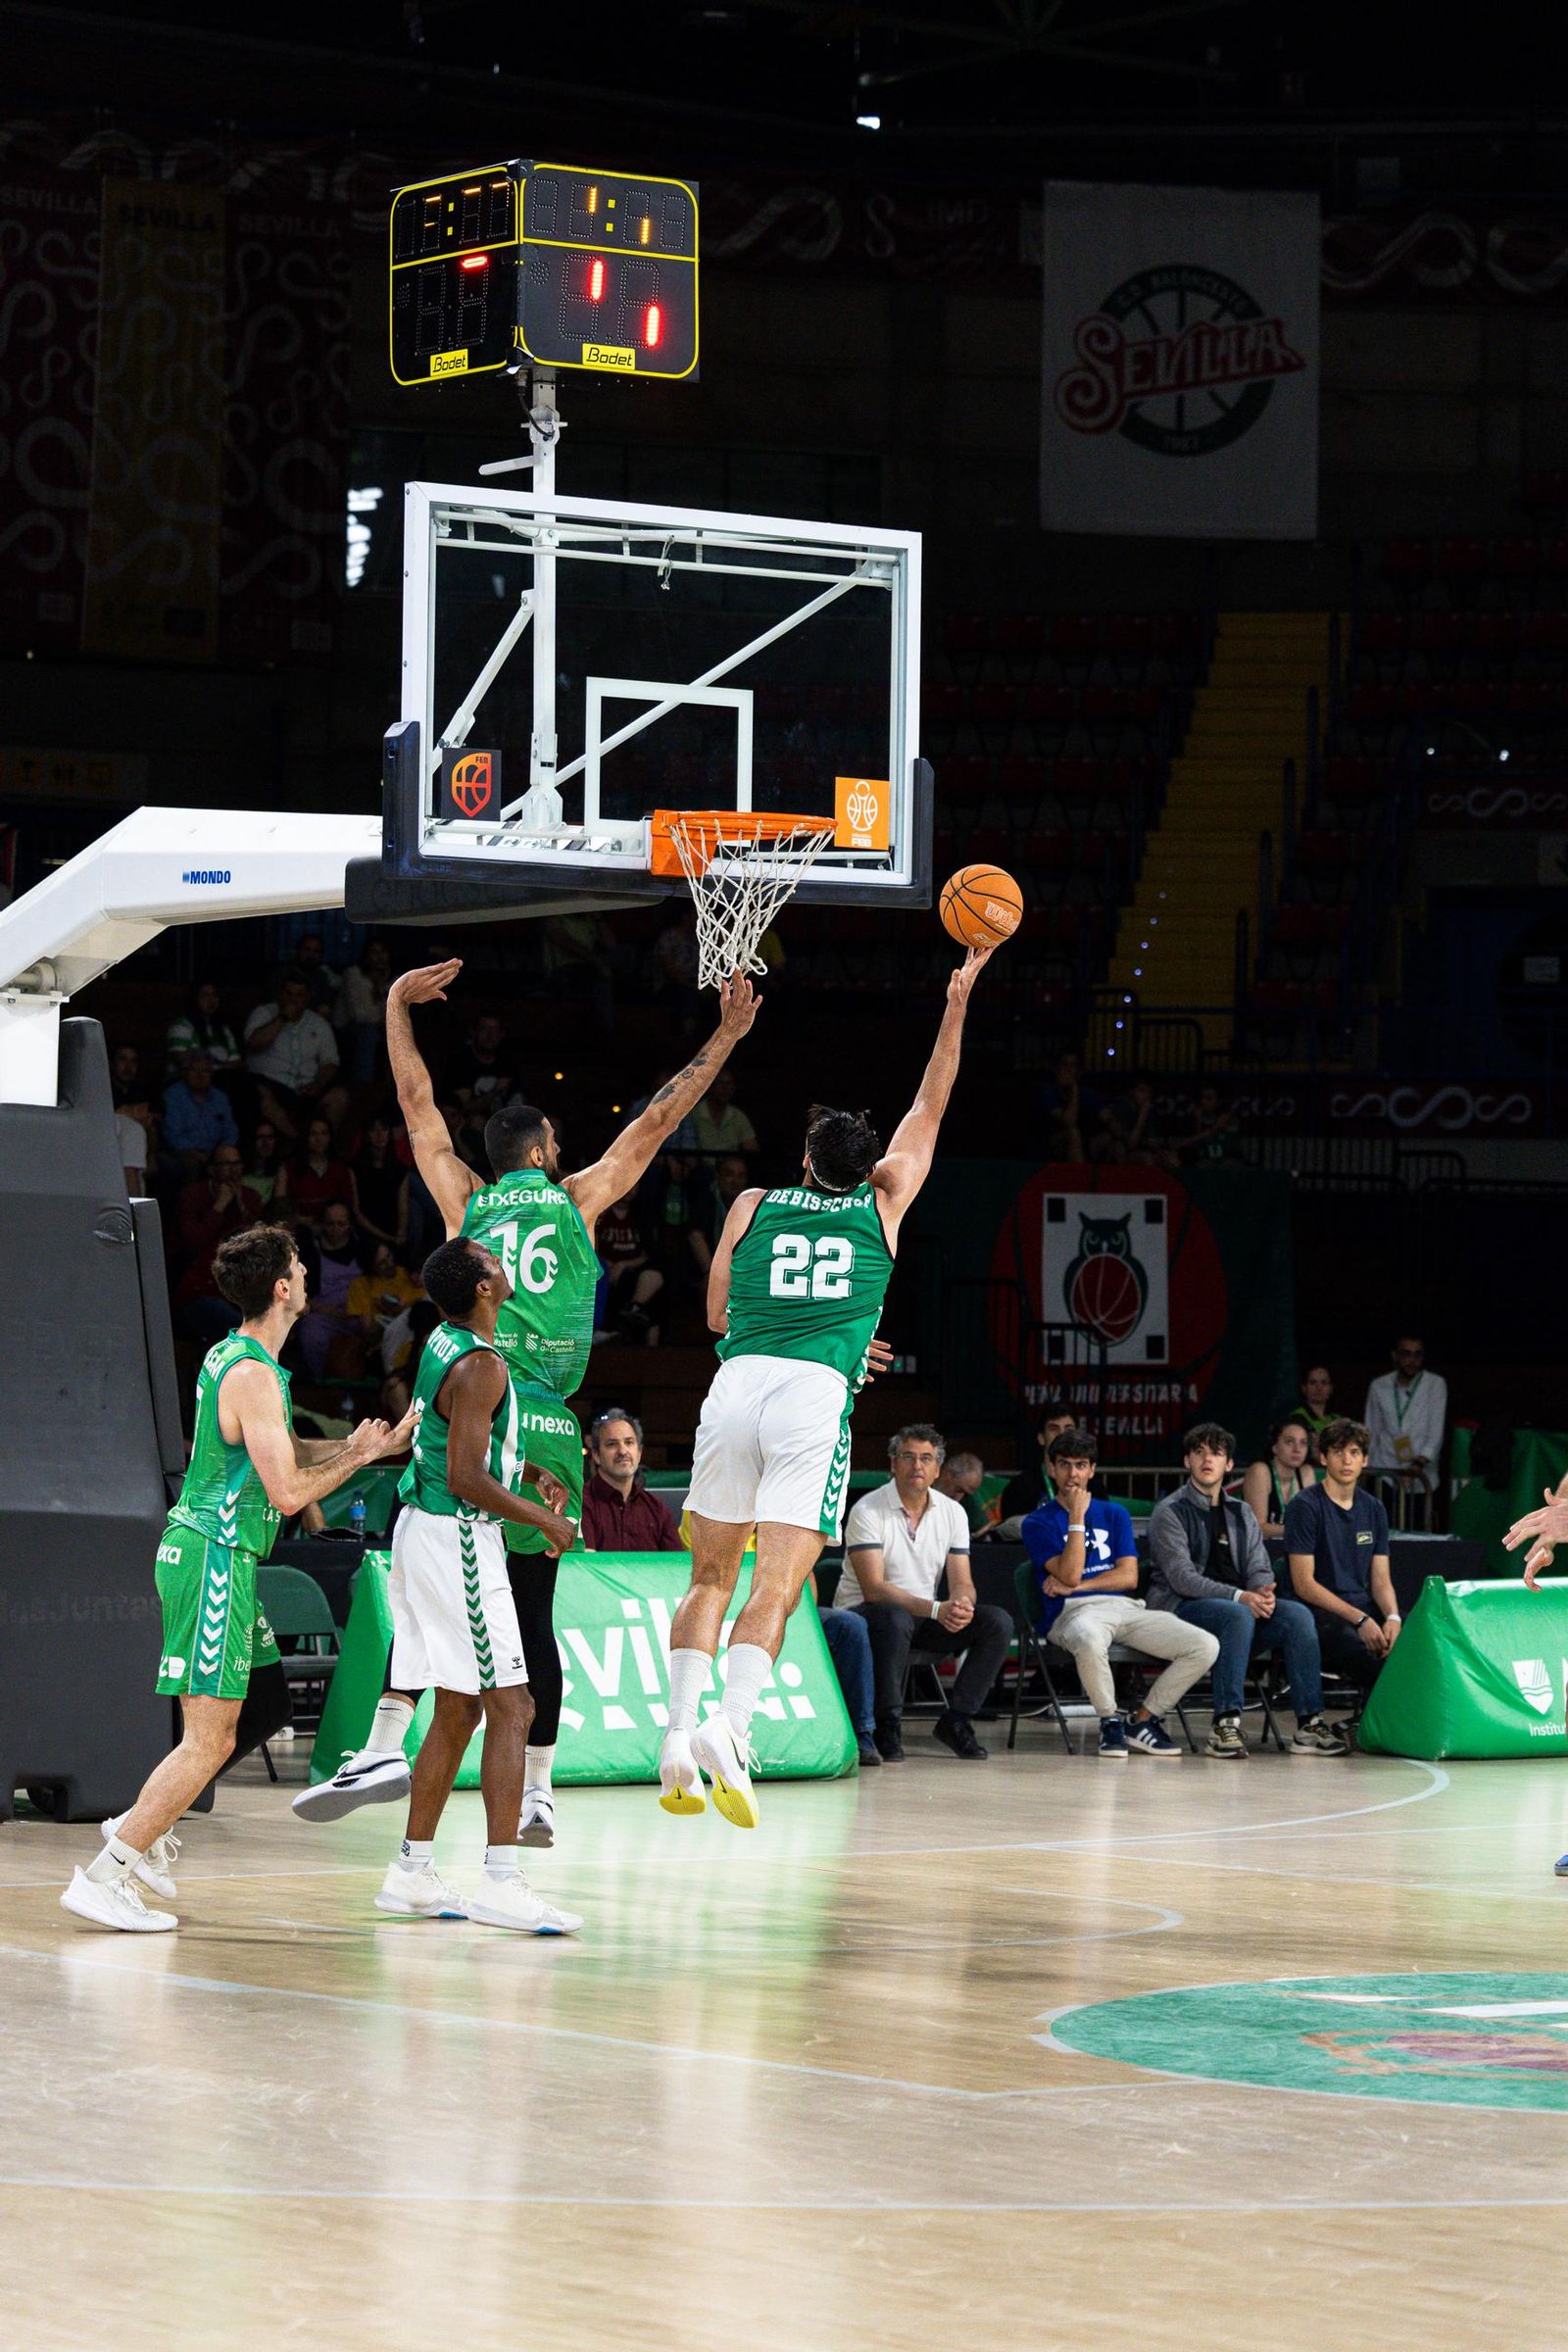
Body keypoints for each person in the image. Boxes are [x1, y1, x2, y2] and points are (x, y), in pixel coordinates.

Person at [297, 956, 762, 1847]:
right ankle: (541, 1791)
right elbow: (660, 1118)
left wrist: (395, 1007)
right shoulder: (579, 1199)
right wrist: (727, 1035)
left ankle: (384, 1743)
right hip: (546, 1418)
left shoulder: (467, 1204)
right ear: (545, 1153)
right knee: (531, 1607)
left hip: (473, 1394)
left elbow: (416, 1105)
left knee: (433, 1567)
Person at [659, 945, 997, 1827]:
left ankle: (676, 1734)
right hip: (812, 1397)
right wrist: (957, 998)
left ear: (805, 1160)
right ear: (868, 1166)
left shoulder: (751, 1205)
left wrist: (804, 1324)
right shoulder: (884, 1204)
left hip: (737, 1385)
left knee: (708, 1576)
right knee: (780, 1582)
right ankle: (731, 1728)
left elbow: (717, 1317)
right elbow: (932, 1102)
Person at [61, 1225, 410, 1933]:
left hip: (229, 1558)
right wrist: (361, 1458)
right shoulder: (250, 1374)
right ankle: (109, 1871)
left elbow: (283, 1449)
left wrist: (359, 1445)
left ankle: (140, 1821)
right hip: (213, 1557)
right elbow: (287, 1491)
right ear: (282, 1288)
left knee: (268, 1702)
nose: (307, 1275)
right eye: (299, 1267)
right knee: (210, 1739)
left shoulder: (245, 1359)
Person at [375, 1237, 582, 1934]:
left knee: (461, 1706)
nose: (501, 1257)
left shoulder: (445, 1340)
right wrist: (544, 1521)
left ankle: (410, 1872)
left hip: (424, 1528)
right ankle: (500, 1881)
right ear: (485, 1288)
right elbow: (464, 1476)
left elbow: (454, 1440)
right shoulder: (483, 1364)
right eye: (491, 1257)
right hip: (457, 1534)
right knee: (513, 1706)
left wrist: (525, 1470)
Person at [1146, 1423, 1347, 1759]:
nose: (1207, 1460)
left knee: (1297, 1615)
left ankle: (1309, 1724)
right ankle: (1225, 1725)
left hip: (1241, 1610)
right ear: (1186, 1461)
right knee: (1236, 1614)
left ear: (1228, 1465)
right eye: (1199, 1453)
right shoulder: (1170, 1511)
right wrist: (1240, 1597)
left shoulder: (1241, 1512)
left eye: (1216, 1454)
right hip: (1181, 1609)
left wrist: (1262, 1592)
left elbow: (1259, 1565)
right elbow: (1182, 1578)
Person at [1024, 1429, 1218, 1759]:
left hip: (1124, 1608)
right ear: (1052, 1468)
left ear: (1092, 1470)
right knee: (1089, 1638)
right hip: (1071, 1612)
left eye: (1081, 1465)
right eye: (1065, 1464)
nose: (1073, 1474)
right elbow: (1069, 1573)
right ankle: (1109, 1721)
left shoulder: (1114, 1514)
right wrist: (1076, 1519)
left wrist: (1079, 1585)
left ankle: (1142, 1721)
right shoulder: (1037, 1522)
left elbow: (1128, 1577)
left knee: (1204, 1645)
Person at [838, 1423, 1013, 1764]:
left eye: (925, 1459)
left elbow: (962, 1580)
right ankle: (886, 1725)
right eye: (908, 1457)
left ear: (937, 1469)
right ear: (893, 1464)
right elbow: (874, 1589)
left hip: (922, 1615)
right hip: (865, 1616)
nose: (916, 1466)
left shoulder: (953, 1512)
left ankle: (957, 1720)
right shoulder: (867, 1510)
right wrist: (936, 1610)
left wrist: (962, 1604)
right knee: (894, 1617)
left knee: (997, 1622)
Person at [1285, 1418, 1399, 1713]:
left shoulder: (1374, 1508)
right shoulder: (1305, 1506)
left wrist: (1393, 1617)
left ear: (1365, 1460)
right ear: (1324, 1458)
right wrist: (1360, 1620)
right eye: (1338, 1452)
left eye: (1354, 1453)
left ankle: (1374, 1721)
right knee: (1366, 1652)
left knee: (1418, 1638)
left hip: (1364, 1608)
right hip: (1320, 1612)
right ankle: (1374, 1722)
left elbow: (1381, 1580)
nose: (1346, 1460)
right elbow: (1304, 1585)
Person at [172, 1149, 265, 1341]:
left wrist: (240, 1205)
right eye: (226, 1164)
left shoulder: (251, 1197)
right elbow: (193, 1243)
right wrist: (220, 1206)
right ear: (212, 1169)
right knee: (240, 1327)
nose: (233, 1170)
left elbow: (255, 1244)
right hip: (202, 1287)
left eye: (236, 1164)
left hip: (240, 1286)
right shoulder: (191, 1196)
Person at [243, 975, 342, 1140]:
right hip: (271, 1084)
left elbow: (331, 1063)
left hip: (306, 1088)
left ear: (307, 998)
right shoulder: (263, 1013)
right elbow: (253, 1043)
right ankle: (299, 1142)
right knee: (260, 1095)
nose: (293, 1000)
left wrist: (317, 1084)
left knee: (339, 1097)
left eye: (299, 995)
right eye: (289, 994)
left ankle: (324, 1145)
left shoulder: (319, 1024)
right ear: (280, 994)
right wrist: (283, 1017)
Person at [579, 1410, 684, 1553]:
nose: (623, 1451)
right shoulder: (581, 1504)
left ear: (639, 1453)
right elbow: (585, 1565)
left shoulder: (657, 1509)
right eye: (612, 1444)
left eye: (629, 1442)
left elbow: (675, 1564)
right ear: (596, 1455)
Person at [1364, 1335, 1447, 1506]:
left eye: (1417, 1355)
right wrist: (1366, 1470)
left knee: (1416, 1520)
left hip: (1421, 1475)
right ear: (1395, 1356)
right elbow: (1371, 1430)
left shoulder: (1435, 1384)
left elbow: (1435, 1434)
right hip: (1385, 1471)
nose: (1412, 1360)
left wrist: (1417, 1465)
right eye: (1406, 1354)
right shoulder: (1379, 1386)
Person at [294, 1199, 365, 1382]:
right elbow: (299, 1295)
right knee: (310, 1331)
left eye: (341, 1224)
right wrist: (325, 1310)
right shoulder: (310, 1252)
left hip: (360, 1313)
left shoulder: (363, 1248)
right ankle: (320, 1383)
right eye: (330, 1224)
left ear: (350, 1224)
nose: (335, 1229)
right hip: (325, 1315)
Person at [985, 1401, 1076, 1538]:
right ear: (1041, 1438)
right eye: (1054, 1429)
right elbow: (1009, 1541)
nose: (1062, 1435)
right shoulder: (1019, 1488)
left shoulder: (1093, 1487)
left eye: (1068, 1429)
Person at [594, 1191, 663, 1344]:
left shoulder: (640, 1217)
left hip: (632, 1271)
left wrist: (623, 1265)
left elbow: (646, 1255)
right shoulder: (602, 1215)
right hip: (605, 1269)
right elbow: (594, 1250)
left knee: (653, 1279)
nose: (630, 1190)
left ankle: (635, 1310)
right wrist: (609, 1265)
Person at [160, 1051, 240, 1181]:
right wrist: (197, 1153)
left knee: (231, 1160)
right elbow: (173, 1135)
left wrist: (223, 1150)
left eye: (205, 1071)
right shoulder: (173, 1096)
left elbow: (230, 1130)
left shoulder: (220, 1097)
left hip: (216, 1152)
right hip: (184, 1152)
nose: (200, 1075)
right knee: (191, 1165)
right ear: (185, 1072)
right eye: (194, 1070)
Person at [1242, 1415, 1318, 1543]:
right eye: (1289, 1442)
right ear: (1275, 1446)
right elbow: (1258, 1527)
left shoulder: (1306, 1473)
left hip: (1295, 1547)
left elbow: (1312, 1522)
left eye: (1303, 1443)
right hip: (1262, 1548)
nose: (1297, 1449)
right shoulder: (1260, 1471)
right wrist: (1300, 1529)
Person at [277, 1115, 355, 1235]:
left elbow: (351, 1208)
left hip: (336, 1231)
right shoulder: (288, 1168)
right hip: (299, 1230)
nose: (319, 1139)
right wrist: (304, 1221)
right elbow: (280, 1210)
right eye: (313, 1134)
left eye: (324, 1133)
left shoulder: (342, 1169)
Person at [333, 938, 392, 1088]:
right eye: (374, 952)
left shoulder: (392, 979)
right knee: (368, 1033)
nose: (379, 957)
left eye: (383, 952)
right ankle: (362, 1086)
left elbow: (393, 1013)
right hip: (348, 1028)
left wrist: (380, 986)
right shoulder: (353, 974)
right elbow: (358, 1015)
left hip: (380, 1027)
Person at [348, 1241, 423, 1350]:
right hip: (387, 1343)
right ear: (371, 1267)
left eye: (389, 1256)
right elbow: (369, 1332)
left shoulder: (410, 1274)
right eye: (382, 1263)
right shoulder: (361, 1285)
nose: (390, 1263)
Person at [350, 1112, 409, 1251]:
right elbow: (356, 1212)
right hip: (366, 1230)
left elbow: (403, 1209)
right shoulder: (355, 1168)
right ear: (366, 1135)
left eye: (384, 1129)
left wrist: (400, 1234)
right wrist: (387, 1238)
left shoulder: (400, 1169)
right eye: (373, 1130)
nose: (379, 1134)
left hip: (392, 1228)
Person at [165, 980, 241, 1085]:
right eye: (205, 995)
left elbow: (236, 1061)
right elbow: (181, 1060)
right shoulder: (182, 1026)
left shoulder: (223, 1029)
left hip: (220, 1079)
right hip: (184, 1082)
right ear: (195, 999)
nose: (211, 1000)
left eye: (214, 995)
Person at [446, 1011, 516, 1117]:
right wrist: (495, 1092)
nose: (490, 1035)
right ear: (474, 1032)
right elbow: (463, 1110)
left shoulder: (508, 1062)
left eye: (495, 1030)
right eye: (483, 1029)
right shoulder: (460, 1063)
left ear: (501, 1034)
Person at [691, 1067, 759, 1161]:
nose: (726, 1088)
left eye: (729, 1084)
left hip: (730, 1167)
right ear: (710, 1086)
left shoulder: (738, 1116)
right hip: (701, 1167)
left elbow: (752, 1148)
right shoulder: (694, 1113)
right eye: (721, 1083)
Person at [936, 1447, 989, 1535]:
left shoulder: (968, 1501)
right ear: (948, 1473)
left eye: (966, 1494)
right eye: (958, 1490)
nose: (958, 1498)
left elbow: (981, 1528)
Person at [1296, 1365, 1336, 1457]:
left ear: (1331, 1388)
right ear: (1304, 1388)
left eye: (1324, 1383)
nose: (1319, 1388)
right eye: (1313, 1383)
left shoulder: (1337, 1419)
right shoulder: (1298, 1417)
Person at [243, 1118, 284, 1205]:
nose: (266, 1143)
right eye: (260, 1137)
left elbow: (279, 1206)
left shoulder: (279, 1171)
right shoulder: (240, 1169)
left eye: (270, 1137)